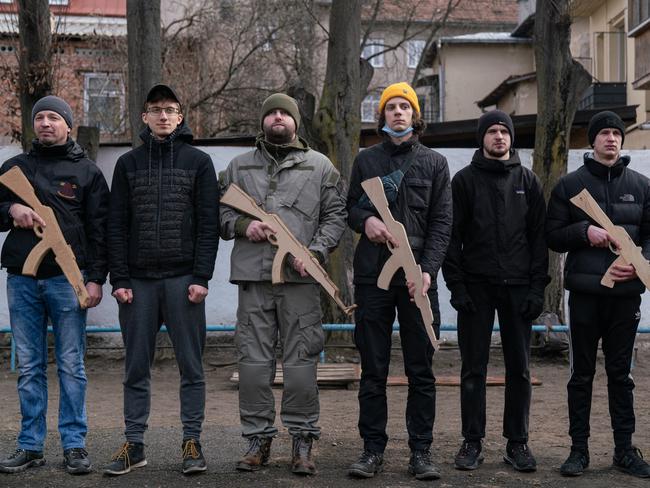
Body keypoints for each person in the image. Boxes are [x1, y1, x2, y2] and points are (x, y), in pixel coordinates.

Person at [219, 93, 346, 476]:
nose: (278, 118)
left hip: (300, 281)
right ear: (262, 121)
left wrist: (316, 253)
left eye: (284, 113)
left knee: (302, 362)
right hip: (252, 280)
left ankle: (303, 439)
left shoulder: (320, 166)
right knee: (253, 363)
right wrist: (246, 225)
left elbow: (335, 216)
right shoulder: (237, 167)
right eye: (271, 112)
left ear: (295, 122)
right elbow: (220, 214)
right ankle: (258, 438)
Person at [104, 84, 219, 476]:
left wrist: (202, 276)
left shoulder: (199, 162)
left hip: (184, 279)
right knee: (136, 367)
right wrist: (118, 278)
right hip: (137, 283)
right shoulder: (128, 164)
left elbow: (208, 225)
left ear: (181, 115)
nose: (164, 116)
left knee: (192, 367)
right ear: (144, 116)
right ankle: (134, 444)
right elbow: (115, 226)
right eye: (156, 110)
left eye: (171, 109)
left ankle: (192, 442)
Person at [346, 82, 452, 480]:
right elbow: (348, 208)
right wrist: (366, 221)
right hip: (373, 275)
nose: (397, 113)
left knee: (420, 370)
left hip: (419, 279)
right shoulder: (366, 161)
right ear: (382, 116)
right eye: (390, 107)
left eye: (405, 107)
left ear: (416, 115)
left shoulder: (435, 163)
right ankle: (372, 449)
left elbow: (443, 222)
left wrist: (427, 270)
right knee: (372, 368)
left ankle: (420, 451)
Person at [0, 95, 109, 475]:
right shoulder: (15, 168)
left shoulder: (88, 173)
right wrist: (11, 209)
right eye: (40, 117)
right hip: (23, 281)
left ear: (67, 124)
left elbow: (100, 231)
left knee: (71, 365)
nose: (46, 123)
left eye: (53, 117)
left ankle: (74, 445)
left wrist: (95, 279)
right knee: (29, 366)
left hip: (68, 281)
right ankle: (30, 446)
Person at [442, 110, 548, 473]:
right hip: (476, 288)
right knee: (474, 368)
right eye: (493, 132)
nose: (499, 137)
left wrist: (537, 290)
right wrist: (456, 286)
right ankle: (472, 442)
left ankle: (517, 443)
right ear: (482, 138)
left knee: (519, 368)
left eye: (504, 131)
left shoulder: (529, 182)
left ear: (511, 138)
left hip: (518, 289)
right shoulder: (464, 182)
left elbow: (539, 241)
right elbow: (451, 238)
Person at [546, 110, 650, 479]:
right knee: (581, 375)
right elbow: (552, 235)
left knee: (622, 375)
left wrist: (638, 263)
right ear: (592, 141)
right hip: (586, 296)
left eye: (616, 133)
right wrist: (583, 233)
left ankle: (624, 450)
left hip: (627, 296)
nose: (611, 138)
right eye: (604, 133)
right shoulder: (570, 186)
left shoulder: (642, 185)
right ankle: (579, 451)